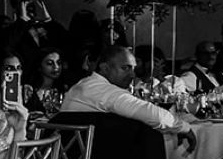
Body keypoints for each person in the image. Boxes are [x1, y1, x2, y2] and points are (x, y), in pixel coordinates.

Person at [58, 45, 195, 142]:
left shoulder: (82, 85)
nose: (132, 74)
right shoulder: (106, 91)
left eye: (133, 69)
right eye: (125, 68)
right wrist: (184, 128)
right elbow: (154, 115)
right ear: (104, 68)